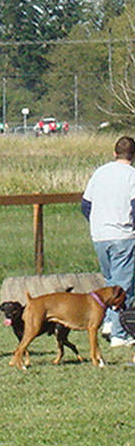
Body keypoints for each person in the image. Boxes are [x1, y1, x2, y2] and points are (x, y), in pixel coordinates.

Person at [80, 136, 135, 347]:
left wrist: (97, 223)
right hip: (123, 234)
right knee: (123, 286)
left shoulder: (100, 173)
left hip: (99, 235)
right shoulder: (132, 176)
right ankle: (119, 334)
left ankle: (110, 322)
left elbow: (85, 205)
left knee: (111, 281)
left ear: (114, 153)